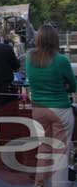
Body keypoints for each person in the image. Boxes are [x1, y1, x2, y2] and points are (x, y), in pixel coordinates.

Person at [26, 24, 77, 186]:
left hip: (39, 109)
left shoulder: (29, 59)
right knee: (60, 151)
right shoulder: (61, 60)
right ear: (55, 39)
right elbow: (73, 85)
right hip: (60, 109)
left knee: (44, 148)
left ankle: (39, 183)